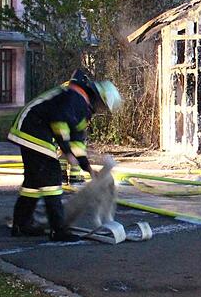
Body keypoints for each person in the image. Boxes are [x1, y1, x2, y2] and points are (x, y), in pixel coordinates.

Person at [7, 68, 122, 240]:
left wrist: (88, 169)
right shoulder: (76, 97)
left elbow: (77, 141)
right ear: (98, 97)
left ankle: (21, 225)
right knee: (52, 179)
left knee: (33, 182)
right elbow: (59, 121)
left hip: (31, 129)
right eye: (103, 106)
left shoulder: (82, 107)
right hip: (34, 129)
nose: (101, 109)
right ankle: (58, 230)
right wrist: (66, 151)